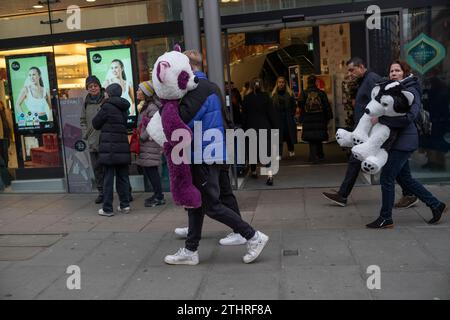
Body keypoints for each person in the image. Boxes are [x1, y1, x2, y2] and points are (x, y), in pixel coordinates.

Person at [164, 50, 268, 265]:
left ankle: (253, 236)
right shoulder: (209, 87)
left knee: (210, 205)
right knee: (197, 204)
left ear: (186, 66)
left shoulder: (197, 90)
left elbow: (182, 121)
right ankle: (190, 250)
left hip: (204, 154)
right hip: (211, 152)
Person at [366, 60, 448, 228]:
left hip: (404, 141)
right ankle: (436, 205)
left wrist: (381, 119)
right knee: (406, 179)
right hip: (396, 141)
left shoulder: (411, 89)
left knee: (387, 177)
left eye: (397, 70)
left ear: (404, 72)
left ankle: (386, 218)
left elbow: (410, 117)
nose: (393, 73)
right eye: (391, 71)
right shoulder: (393, 88)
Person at [322, 57, 381, 205]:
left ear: (361, 67)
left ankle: (342, 195)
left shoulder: (371, 79)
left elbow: (382, 101)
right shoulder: (363, 81)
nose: (350, 73)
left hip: (370, 131)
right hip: (365, 130)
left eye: (352, 70)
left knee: (390, 162)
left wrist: (377, 120)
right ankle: (342, 195)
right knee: (357, 160)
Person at [92, 83, 131, 217]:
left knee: (108, 178)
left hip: (109, 148)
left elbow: (95, 123)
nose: (104, 94)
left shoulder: (107, 106)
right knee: (123, 177)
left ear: (109, 93)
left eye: (106, 92)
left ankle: (107, 208)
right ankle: (125, 205)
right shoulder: (124, 107)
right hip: (122, 146)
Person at [242, 78, 279, 185]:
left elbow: (244, 116)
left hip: (251, 127)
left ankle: (253, 171)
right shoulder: (266, 97)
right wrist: (275, 127)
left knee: (252, 150)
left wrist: (243, 128)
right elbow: (271, 114)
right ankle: (270, 175)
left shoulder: (246, 98)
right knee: (266, 152)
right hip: (264, 127)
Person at [135, 80, 165, 207]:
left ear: (146, 93)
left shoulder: (152, 107)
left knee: (152, 170)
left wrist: (142, 136)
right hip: (146, 144)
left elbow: (153, 125)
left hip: (149, 144)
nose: (137, 92)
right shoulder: (146, 105)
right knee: (149, 169)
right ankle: (157, 194)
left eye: (139, 90)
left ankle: (159, 196)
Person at [80, 75, 106, 204]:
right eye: (90, 87)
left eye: (95, 86)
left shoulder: (106, 99)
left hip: (106, 140)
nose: (93, 88)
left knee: (109, 168)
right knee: (97, 169)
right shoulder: (86, 102)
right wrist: (86, 134)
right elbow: (82, 120)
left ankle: (123, 192)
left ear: (99, 86)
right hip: (92, 141)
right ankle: (101, 192)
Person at [298, 75, 332, 163]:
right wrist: (328, 116)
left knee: (311, 138)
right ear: (316, 82)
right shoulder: (321, 93)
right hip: (320, 118)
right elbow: (326, 105)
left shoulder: (304, 93)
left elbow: (300, 104)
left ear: (307, 83)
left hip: (308, 118)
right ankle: (320, 155)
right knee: (318, 137)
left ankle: (312, 157)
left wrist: (302, 117)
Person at [272, 76, 297, 158]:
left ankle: (291, 150)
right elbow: (271, 108)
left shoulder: (290, 94)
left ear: (285, 83)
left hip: (288, 118)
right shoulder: (273, 95)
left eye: (282, 82)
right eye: (279, 82)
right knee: (278, 136)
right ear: (277, 83)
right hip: (277, 119)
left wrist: (291, 114)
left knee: (289, 135)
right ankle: (279, 153)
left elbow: (294, 106)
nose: (281, 84)